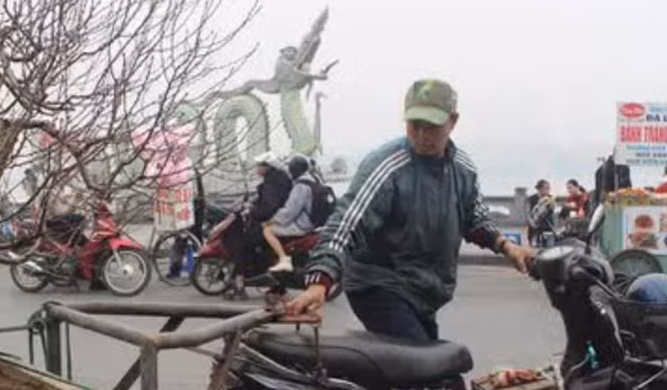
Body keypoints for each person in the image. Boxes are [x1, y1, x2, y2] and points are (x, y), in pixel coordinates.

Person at [287, 78, 531, 340]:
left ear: (452, 121)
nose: (422, 135)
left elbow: (475, 217)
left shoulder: (463, 168)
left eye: (432, 127)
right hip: (379, 285)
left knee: (439, 363)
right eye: (415, 125)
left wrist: (507, 247)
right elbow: (348, 221)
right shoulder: (387, 166)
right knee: (421, 359)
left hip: (425, 290)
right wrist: (320, 281)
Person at [226, 154, 292, 299]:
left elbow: (269, 207)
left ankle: (239, 285)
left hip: (272, 222)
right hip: (281, 221)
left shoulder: (271, 184)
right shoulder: (279, 180)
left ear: (267, 167)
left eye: (259, 165)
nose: (257, 168)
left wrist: (252, 211)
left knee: (242, 244)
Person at [263, 156, 317, 273]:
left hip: (302, 225)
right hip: (313, 223)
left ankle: (283, 259)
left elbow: (289, 212)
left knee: (267, 230)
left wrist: (272, 220)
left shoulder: (301, 187)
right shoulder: (313, 180)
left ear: (294, 170)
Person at [527, 180, 556, 248]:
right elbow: (528, 215)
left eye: (549, 188)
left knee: (549, 250)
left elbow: (551, 209)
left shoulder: (550, 199)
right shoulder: (531, 199)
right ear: (539, 189)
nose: (548, 190)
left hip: (548, 229)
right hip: (535, 231)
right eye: (546, 188)